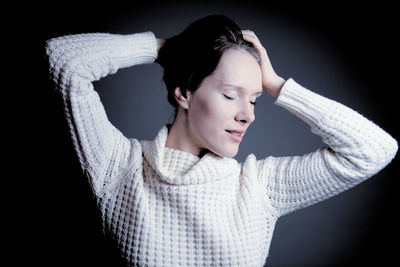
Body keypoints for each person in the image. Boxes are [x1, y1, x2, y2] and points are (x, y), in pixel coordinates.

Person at [45, 14, 397, 267]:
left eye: (255, 98)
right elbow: (64, 62)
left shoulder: (258, 187)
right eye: (231, 95)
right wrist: (167, 48)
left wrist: (277, 84)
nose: (249, 114)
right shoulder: (118, 167)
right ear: (184, 93)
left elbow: (374, 150)